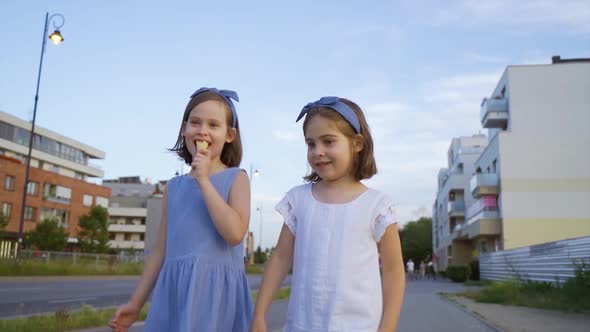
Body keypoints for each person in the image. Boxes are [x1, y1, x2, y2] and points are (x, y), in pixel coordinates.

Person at [250, 97, 405, 332]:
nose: (317, 152)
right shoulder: (298, 200)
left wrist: (388, 327)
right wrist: (259, 314)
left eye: (328, 141)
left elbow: (394, 271)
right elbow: (280, 258)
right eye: (311, 144)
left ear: (357, 143)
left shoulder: (377, 206)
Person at [110, 87, 253, 331]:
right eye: (195, 122)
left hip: (215, 299)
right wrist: (135, 304)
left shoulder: (237, 178)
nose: (202, 130)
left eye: (213, 125)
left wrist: (204, 181)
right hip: (174, 294)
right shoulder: (174, 187)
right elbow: (160, 251)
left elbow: (235, 234)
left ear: (230, 135)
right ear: (184, 129)